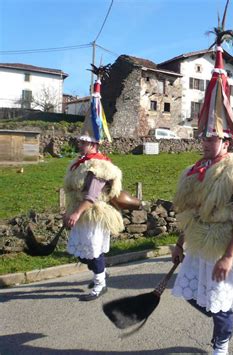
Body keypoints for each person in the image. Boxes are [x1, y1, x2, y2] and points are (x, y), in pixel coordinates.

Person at [170, 20, 233, 355]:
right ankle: (229, 320)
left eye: (213, 136)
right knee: (191, 294)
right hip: (201, 242)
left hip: (231, 244)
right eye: (204, 135)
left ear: (227, 140)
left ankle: (221, 343)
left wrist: (229, 257)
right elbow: (191, 211)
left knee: (220, 303)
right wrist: (179, 243)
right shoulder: (195, 171)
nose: (206, 141)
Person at [63, 66, 123, 301]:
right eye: (80, 141)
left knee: (93, 250)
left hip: (92, 213)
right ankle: (101, 275)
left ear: (94, 144)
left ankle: (99, 283)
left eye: (84, 142)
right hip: (81, 212)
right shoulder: (81, 162)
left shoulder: (99, 166)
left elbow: (92, 195)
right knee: (82, 252)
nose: (80, 144)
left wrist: (76, 213)